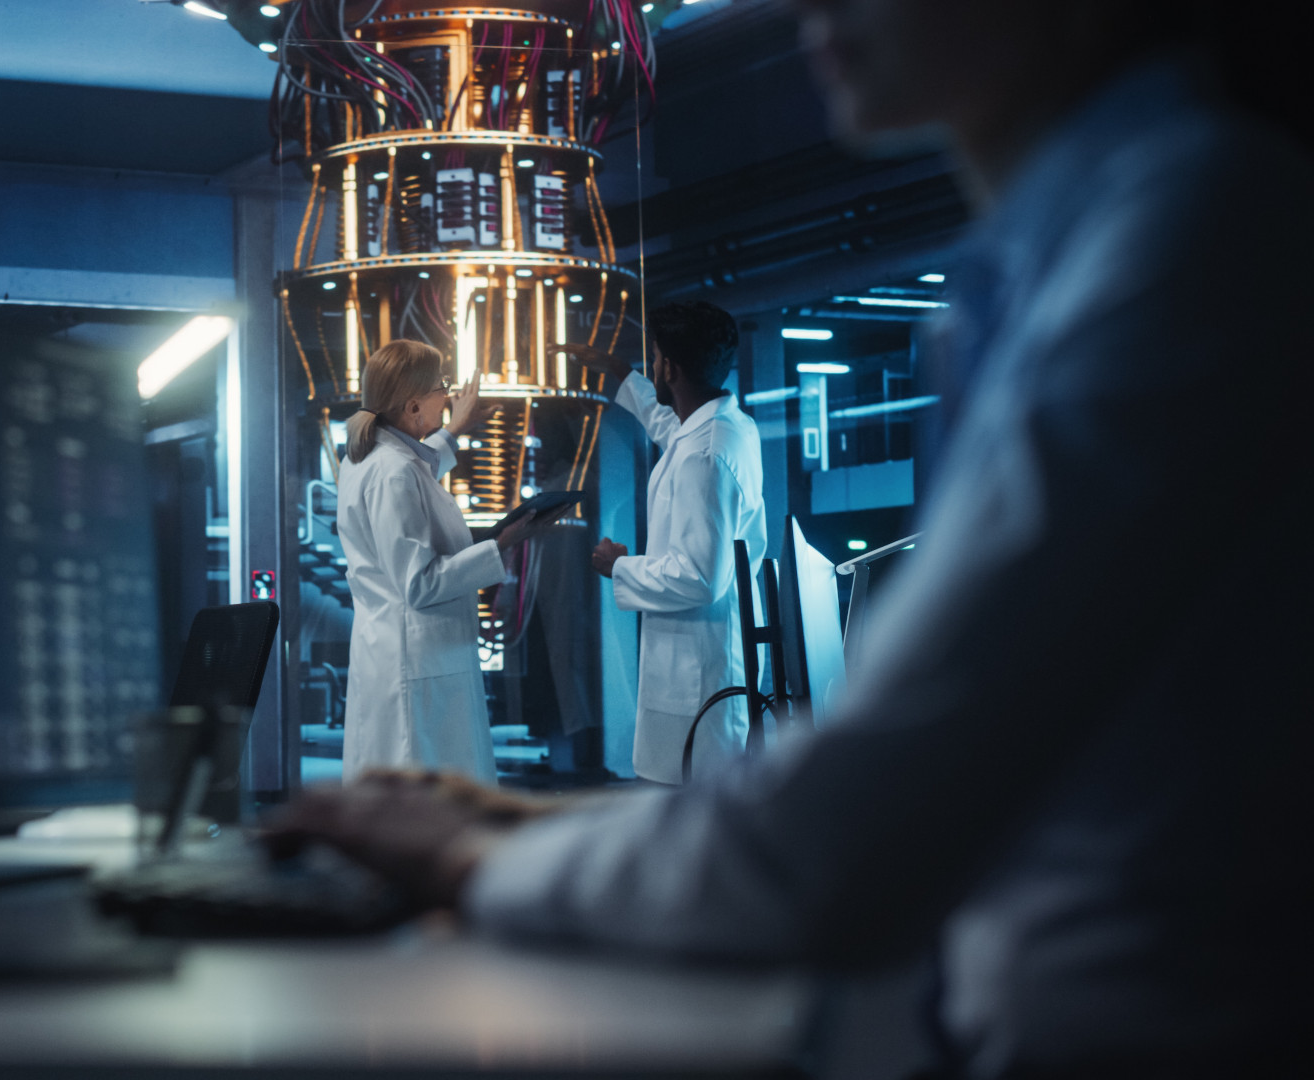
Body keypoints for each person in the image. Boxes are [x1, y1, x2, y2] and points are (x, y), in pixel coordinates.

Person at [273, 0, 1313, 1074]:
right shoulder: (1080, 252)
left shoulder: (1194, 244)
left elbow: (858, 820)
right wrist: (522, 834)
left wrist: (479, 857)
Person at [558, 302, 765, 783]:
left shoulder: (705, 455)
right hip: (705, 652)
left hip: (701, 664)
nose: (653, 365)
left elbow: (700, 578)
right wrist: (621, 374)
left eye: (653, 357)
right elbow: (673, 430)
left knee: (698, 797)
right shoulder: (727, 427)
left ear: (669, 368)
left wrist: (619, 566)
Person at [337, 340, 560, 783]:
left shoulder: (370, 460)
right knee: (422, 799)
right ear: (413, 406)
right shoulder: (394, 471)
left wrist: (454, 428)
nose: (449, 393)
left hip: (400, 654)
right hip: (415, 663)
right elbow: (420, 584)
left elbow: (420, 469)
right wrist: (502, 544)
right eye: (441, 386)